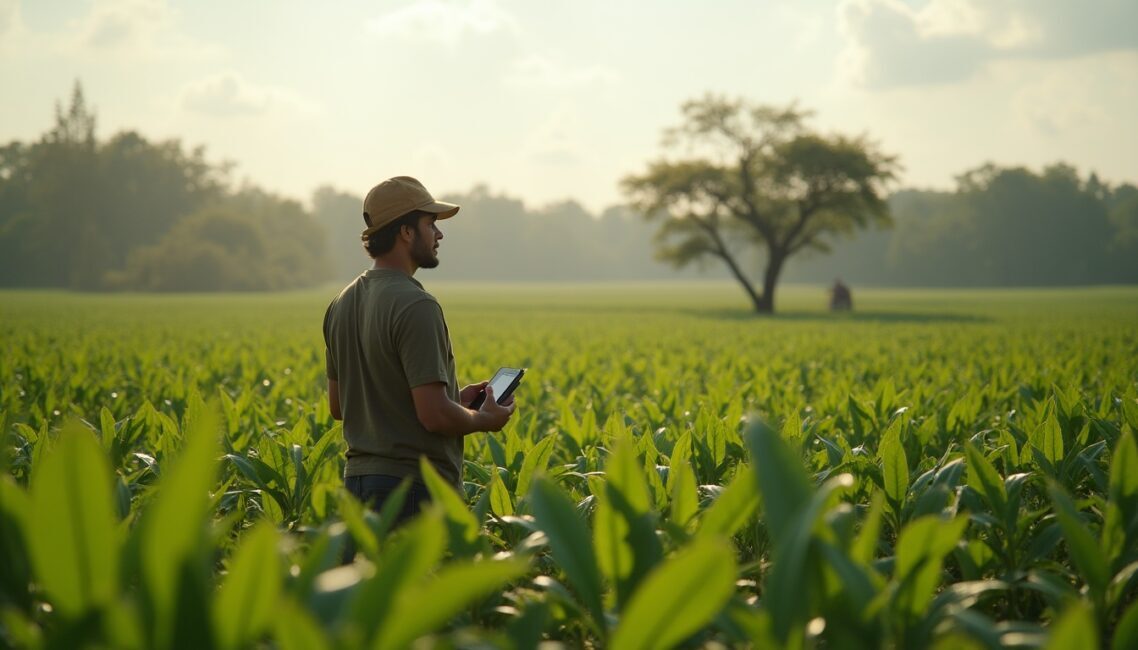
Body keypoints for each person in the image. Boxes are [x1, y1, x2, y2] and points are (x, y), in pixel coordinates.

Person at [323, 176, 516, 539]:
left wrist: (454, 403)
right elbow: (432, 416)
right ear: (407, 232)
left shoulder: (341, 303)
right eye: (431, 224)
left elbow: (340, 405)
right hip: (413, 489)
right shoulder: (416, 304)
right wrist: (482, 418)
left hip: (359, 485)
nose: (439, 235)